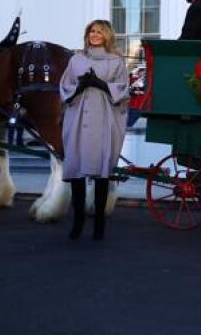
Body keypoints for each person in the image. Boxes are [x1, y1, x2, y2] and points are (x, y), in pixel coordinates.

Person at [59, 20, 131, 240]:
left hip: (104, 120)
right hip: (78, 119)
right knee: (77, 173)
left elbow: (123, 88)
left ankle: (99, 221)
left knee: (101, 174)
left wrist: (100, 84)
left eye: (99, 32)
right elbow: (64, 86)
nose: (95, 35)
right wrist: (80, 86)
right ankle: (78, 220)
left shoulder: (116, 61)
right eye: (92, 31)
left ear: (107, 35)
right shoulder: (76, 60)